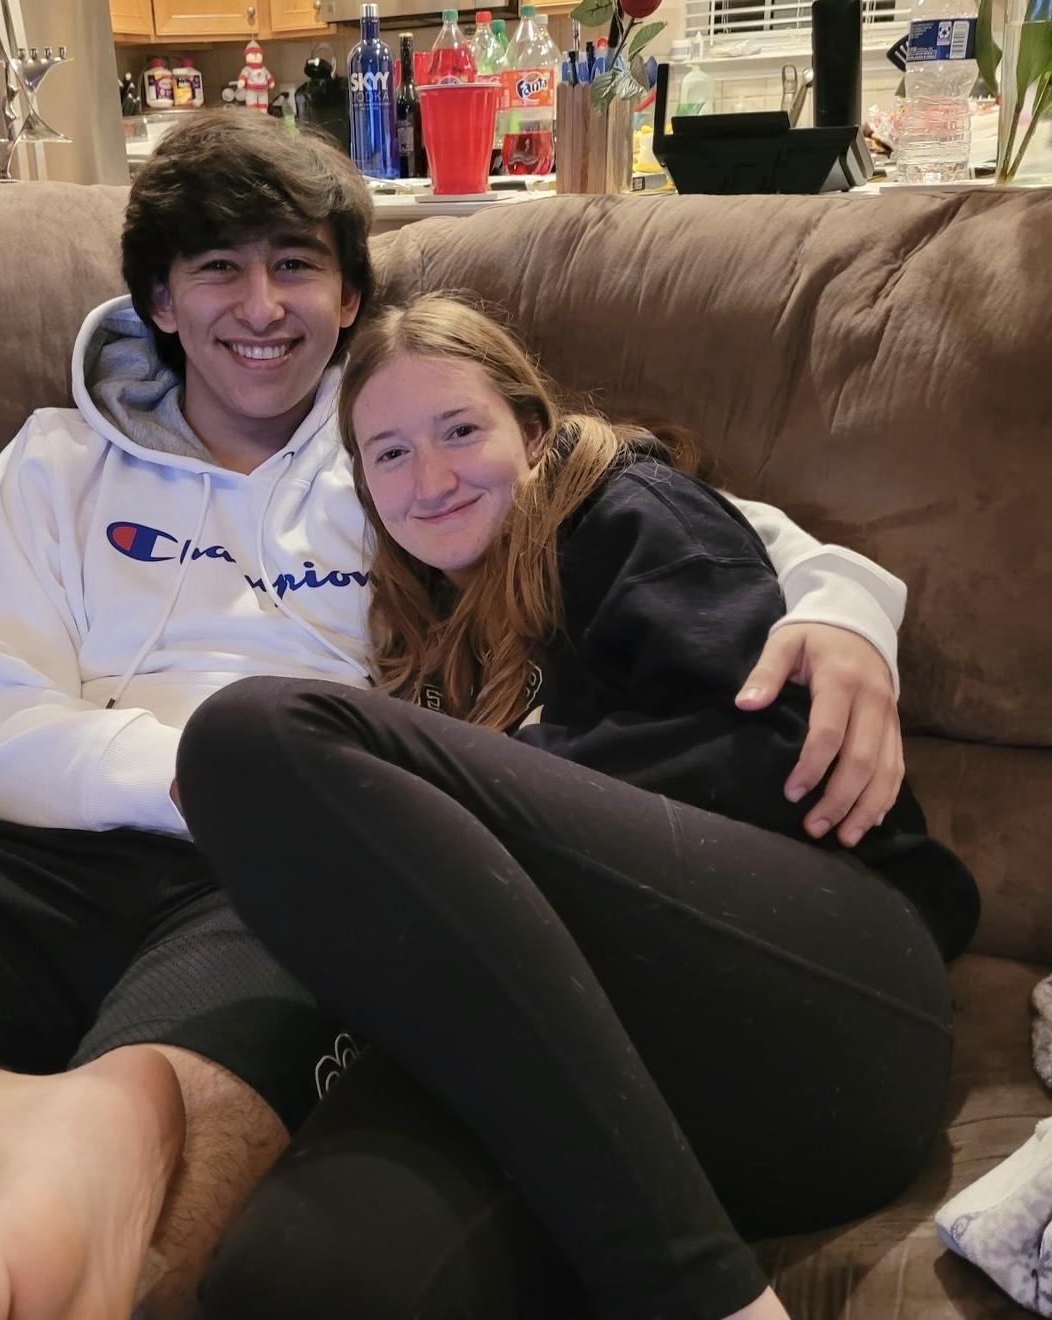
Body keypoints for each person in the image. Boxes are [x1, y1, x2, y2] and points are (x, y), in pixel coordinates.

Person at [0, 117, 913, 1320]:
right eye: (217, 269)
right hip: (40, 851)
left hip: (282, 889)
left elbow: (643, 500)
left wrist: (851, 600)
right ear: (160, 299)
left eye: (296, 265)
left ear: (348, 294)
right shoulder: (52, 464)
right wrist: (196, 782)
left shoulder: (395, 438)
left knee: (192, 1218)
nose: (262, 306)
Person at [175, 293, 981, 1320]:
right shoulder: (422, 622)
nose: (429, 480)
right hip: (635, 1092)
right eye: (387, 455)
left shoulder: (624, 511)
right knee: (292, 1280)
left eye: (460, 431)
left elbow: (768, 756)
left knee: (253, 738)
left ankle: (702, 1296)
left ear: (534, 428)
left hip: (826, 1001)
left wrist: (464, 784)